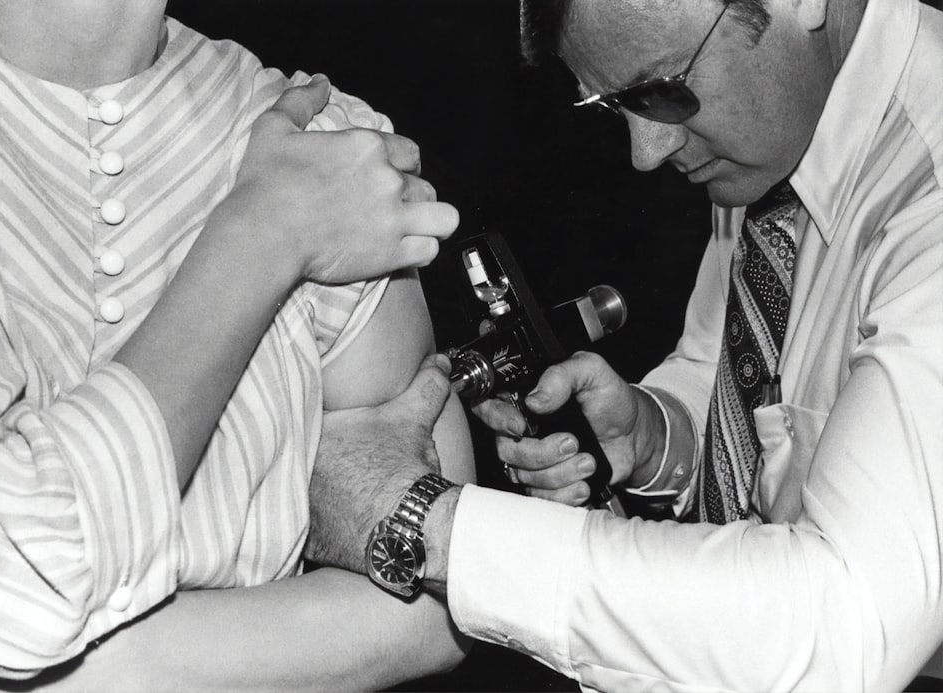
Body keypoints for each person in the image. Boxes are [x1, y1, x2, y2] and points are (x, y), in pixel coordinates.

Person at [304, 0, 943, 690]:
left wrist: (431, 524)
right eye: (615, 107)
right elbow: (746, 377)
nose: (647, 151)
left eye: (662, 91)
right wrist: (649, 434)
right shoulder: (777, 133)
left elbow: (844, 628)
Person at [0, 0, 476, 690]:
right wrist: (265, 233)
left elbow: (440, 596)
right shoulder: (314, 176)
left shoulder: (322, 142)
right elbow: (6, 579)